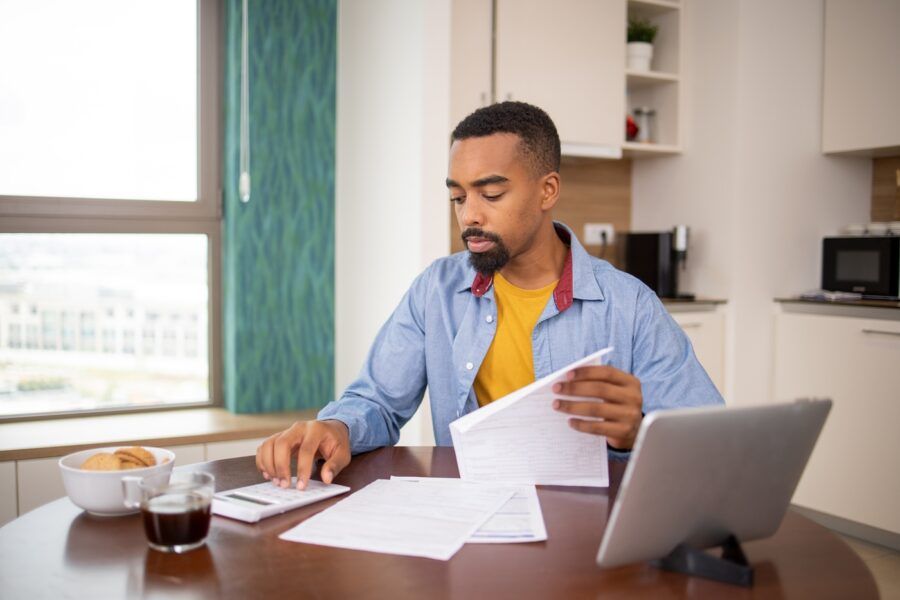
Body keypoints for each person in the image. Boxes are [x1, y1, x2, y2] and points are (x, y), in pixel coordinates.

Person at [256, 101, 723, 489]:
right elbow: (376, 402)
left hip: (586, 541)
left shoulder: (630, 305)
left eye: (491, 194)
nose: (469, 216)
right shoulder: (436, 292)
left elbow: (709, 445)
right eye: (458, 198)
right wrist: (336, 427)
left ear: (548, 190)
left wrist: (637, 433)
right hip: (470, 525)